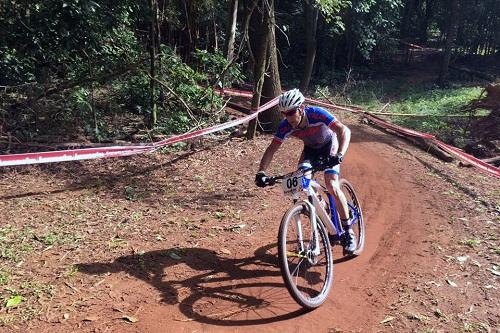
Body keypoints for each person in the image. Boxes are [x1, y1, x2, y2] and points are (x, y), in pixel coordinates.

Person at [254, 88, 356, 253]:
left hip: (330, 146)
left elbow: (344, 130)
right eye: (284, 113)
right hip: (310, 151)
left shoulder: (317, 113)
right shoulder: (285, 125)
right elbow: (272, 148)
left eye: (291, 112)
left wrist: (339, 155)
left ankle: (348, 231)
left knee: (331, 185)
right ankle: (323, 207)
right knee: (302, 182)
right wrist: (261, 172)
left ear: (301, 108)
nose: (288, 117)